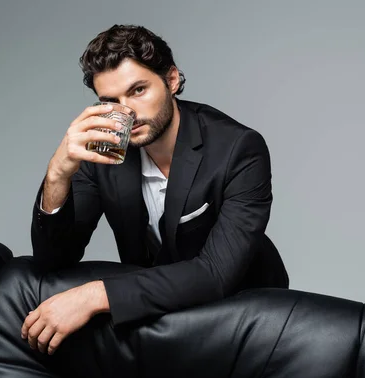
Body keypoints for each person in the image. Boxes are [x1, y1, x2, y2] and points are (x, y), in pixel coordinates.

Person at [21, 24, 288, 356]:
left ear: (172, 80)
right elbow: (53, 259)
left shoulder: (239, 149)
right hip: (156, 314)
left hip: (247, 316)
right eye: (110, 101)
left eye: (138, 90)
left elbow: (216, 273)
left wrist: (96, 295)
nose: (127, 112)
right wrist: (58, 173)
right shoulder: (105, 150)